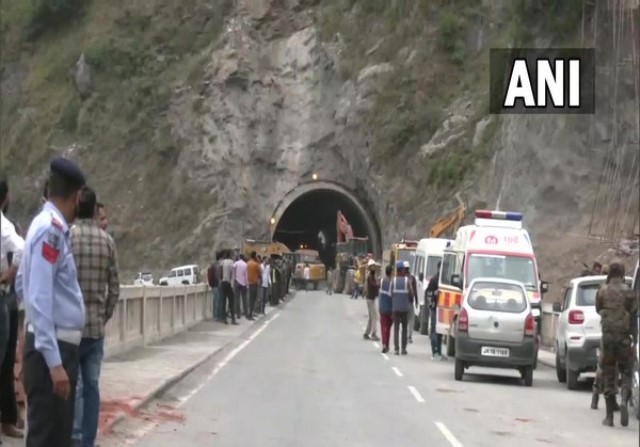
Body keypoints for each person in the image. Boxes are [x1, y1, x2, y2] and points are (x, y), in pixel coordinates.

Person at [16, 157, 86, 447]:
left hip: (48, 347)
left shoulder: (42, 225)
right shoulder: (51, 231)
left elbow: (23, 284)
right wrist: (54, 363)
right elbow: (39, 295)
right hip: (53, 352)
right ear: (77, 196)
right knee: (48, 438)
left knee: (55, 437)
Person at [70, 186, 120, 447]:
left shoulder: (69, 238)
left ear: (78, 207)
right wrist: (104, 314)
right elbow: (115, 288)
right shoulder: (107, 241)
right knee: (92, 386)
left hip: (71, 327)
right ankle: (88, 441)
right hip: (96, 329)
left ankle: (75, 438)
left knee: (75, 388)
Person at [595, 261, 638, 427]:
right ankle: (625, 400)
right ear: (622, 274)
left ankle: (609, 416)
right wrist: (635, 339)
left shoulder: (602, 291)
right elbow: (634, 316)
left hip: (608, 338)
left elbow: (598, 309)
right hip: (624, 338)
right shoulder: (629, 293)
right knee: (626, 371)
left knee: (608, 373)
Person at [0, 171, 26, 442]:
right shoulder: (5, 225)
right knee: (5, 363)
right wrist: (11, 272)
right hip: (4, 296)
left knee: (6, 363)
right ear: (6, 197)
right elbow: (23, 248)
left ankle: (7, 418)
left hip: (7, 296)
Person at [391, 261, 414, 355]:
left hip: (395, 308)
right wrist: (409, 300)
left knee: (396, 328)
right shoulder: (407, 281)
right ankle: (403, 348)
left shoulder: (394, 281)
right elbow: (411, 293)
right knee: (404, 328)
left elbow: (391, 293)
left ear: (397, 270)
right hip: (404, 308)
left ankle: (396, 349)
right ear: (403, 270)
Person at [427, 262, 443, 359]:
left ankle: (439, 351)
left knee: (440, 332)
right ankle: (434, 352)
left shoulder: (445, 280)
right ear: (438, 268)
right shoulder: (434, 280)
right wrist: (434, 293)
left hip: (442, 309)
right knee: (434, 330)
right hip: (434, 307)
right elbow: (428, 293)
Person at [219, 250, 237, 325]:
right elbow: (232, 274)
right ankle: (233, 319)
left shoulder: (222, 262)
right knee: (231, 302)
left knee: (223, 301)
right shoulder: (231, 262)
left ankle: (224, 318)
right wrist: (233, 285)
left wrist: (221, 280)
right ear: (230, 255)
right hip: (229, 283)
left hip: (223, 283)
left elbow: (220, 272)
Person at [363, 260, 380, 341]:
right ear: (370, 267)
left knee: (371, 317)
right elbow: (373, 285)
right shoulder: (370, 276)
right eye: (372, 266)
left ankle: (366, 333)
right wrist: (378, 284)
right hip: (370, 298)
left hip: (370, 298)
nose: (374, 267)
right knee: (374, 317)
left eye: (374, 266)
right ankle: (373, 334)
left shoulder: (372, 275)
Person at [378, 265, 393, 353]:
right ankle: (386, 344)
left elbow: (380, 294)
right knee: (388, 328)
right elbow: (392, 297)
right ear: (391, 272)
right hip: (389, 309)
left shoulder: (382, 281)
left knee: (383, 327)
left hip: (382, 307)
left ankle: (384, 344)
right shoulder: (392, 282)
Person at [403, 261, 417, 344]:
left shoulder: (401, 277)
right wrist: (417, 301)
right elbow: (414, 291)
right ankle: (409, 336)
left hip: (403, 302)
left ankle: (405, 335)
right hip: (410, 301)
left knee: (405, 320)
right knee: (411, 320)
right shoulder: (412, 277)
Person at [233, 255, 248, 320]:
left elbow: (233, 272)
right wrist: (246, 284)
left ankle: (238, 313)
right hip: (243, 283)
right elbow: (246, 275)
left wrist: (234, 279)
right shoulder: (245, 264)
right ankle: (245, 312)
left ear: (239, 257)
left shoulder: (236, 263)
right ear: (243, 258)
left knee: (237, 298)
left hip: (237, 282)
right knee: (244, 298)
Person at [247, 252, 261, 319]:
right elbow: (259, 273)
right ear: (255, 256)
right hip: (254, 283)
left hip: (248, 283)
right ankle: (251, 314)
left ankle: (249, 313)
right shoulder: (256, 264)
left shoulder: (248, 263)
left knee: (250, 299)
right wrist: (258, 261)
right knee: (253, 299)